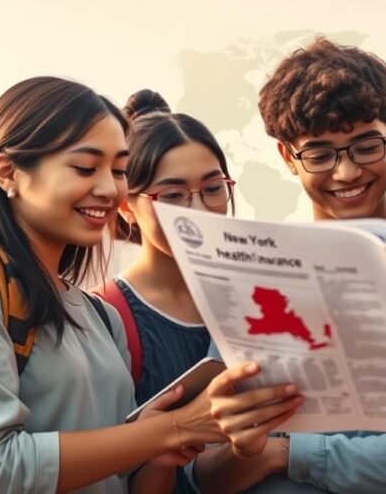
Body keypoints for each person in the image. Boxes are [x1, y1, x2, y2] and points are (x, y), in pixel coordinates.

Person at [0, 77, 300, 493]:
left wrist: (159, 455)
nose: (109, 189)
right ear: (8, 172)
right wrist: (174, 428)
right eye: (85, 167)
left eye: (118, 171)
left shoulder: (99, 316)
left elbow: (131, 484)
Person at [191, 38, 386, 493]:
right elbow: (207, 474)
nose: (346, 173)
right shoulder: (254, 276)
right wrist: (244, 448)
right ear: (287, 157)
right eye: (319, 154)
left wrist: (281, 453)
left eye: (365, 146)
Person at [98, 89, 240, 493]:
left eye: (214, 188)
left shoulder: (253, 295)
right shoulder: (105, 317)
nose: (198, 211)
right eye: (173, 196)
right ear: (126, 206)